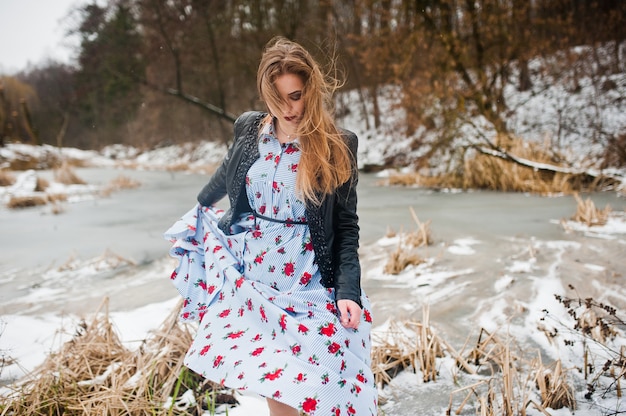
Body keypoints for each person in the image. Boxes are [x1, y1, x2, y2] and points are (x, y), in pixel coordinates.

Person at [164, 36, 377, 416]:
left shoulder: (337, 145)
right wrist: (198, 209)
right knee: (277, 382)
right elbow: (226, 174)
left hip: (309, 277)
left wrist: (348, 290)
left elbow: (346, 227)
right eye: (276, 99)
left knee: (323, 380)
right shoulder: (249, 129)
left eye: (295, 96)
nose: (287, 108)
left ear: (310, 89)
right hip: (256, 276)